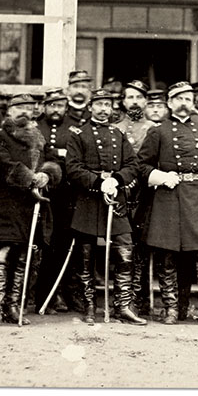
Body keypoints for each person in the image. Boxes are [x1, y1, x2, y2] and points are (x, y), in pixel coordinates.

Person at [137, 83, 198, 328]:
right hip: (168, 198)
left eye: (188, 98)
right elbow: (141, 165)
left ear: (193, 103)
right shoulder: (159, 132)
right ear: (170, 103)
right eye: (178, 98)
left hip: (195, 197)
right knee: (167, 255)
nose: (183, 102)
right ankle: (170, 309)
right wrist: (160, 176)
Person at [0, 94, 60, 326]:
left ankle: (13, 306)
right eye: (20, 108)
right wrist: (30, 178)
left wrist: (47, 173)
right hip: (3, 203)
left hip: (30, 204)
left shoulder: (39, 137)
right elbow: (3, 162)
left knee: (24, 256)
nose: (25, 112)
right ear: (9, 111)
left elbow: (53, 160)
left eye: (29, 108)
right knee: (3, 253)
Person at [65, 88, 140, 325]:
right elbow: (73, 168)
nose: (103, 109)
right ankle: (90, 307)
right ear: (90, 107)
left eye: (107, 104)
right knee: (86, 258)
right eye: (99, 104)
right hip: (89, 201)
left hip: (115, 200)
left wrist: (116, 180)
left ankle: (123, 306)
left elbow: (132, 164)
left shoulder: (118, 135)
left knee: (125, 252)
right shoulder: (79, 135)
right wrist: (99, 182)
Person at [34, 88, 84, 314]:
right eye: (52, 105)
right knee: (42, 245)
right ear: (44, 106)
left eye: (60, 106)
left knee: (64, 245)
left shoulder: (75, 128)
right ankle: (39, 295)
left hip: (66, 195)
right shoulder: (35, 128)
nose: (56, 110)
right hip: (42, 195)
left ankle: (60, 293)